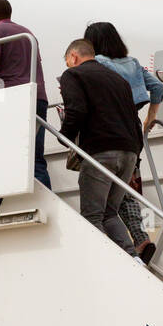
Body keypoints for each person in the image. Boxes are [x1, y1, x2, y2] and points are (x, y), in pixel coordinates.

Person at [83, 21, 163, 260]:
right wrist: (151, 116)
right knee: (126, 187)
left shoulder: (98, 63)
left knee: (106, 192)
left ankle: (120, 245)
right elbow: (157, 87)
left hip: (110, 128)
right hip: (133, 131)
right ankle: (140, 239)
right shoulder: (133, 63)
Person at [59, 38, 145, 259]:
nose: (67, 65)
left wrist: (64, 137)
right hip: (129, 153)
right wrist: (135, 153)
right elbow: (134, 120)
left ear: (73, 57)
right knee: (110, 212)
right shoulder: (119, 80)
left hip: (101, 151)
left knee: (92, 215)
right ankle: (133, 258)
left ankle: (105, 262)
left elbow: (76, 110)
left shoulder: (73, 75)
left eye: (67, 60)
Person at [0, 0, 52, 198]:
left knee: (2, 154)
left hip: (14, 99)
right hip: (38, 98)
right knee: (36, 157)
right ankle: (47, 201)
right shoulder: (27, 33)